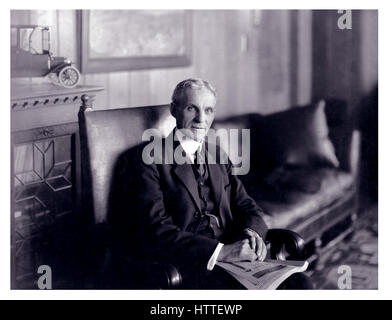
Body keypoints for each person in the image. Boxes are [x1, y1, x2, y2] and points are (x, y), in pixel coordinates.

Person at [131, 78, 312, 289]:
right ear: (174, 109)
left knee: (300, 283)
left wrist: (252, 233)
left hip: (235, 260)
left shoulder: (217, 154)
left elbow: (247, 206)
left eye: (208, 110)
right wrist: (222, 252)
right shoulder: (148, 159)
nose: (201, 119)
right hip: (190, 265)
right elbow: (156, 230)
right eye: (192, 108)